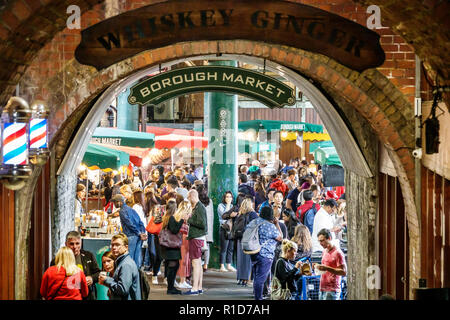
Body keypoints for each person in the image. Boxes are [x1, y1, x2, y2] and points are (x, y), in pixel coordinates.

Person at [50, 231, 101, 300]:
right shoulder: (57, 260)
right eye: (71, 244)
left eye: (77, 243)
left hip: (87, 296)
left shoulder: (88, 256)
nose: (75, 247)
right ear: (66, 244)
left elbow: (98, 273)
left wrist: (92, 278)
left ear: (81, 243)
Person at [248, 206, 283, 300]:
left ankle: (257, 296)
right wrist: (277, 224)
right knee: (260, 279)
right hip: (265, 255)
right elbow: (281, 238)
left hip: (254, 253)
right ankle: (258, 298)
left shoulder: (254, 223)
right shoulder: (270, 226)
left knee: (257, 276)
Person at [99, 233, 142, 300]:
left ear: (126, 247)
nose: (114, 247)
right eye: (112, 245)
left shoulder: (126, 264)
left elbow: (123, 289)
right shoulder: (121, 262)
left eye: (117, 245)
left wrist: (106, 280)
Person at [111, 194, 148, 268]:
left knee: (129, 257)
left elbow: (129, 223)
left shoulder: (122, 211)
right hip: (138, 236)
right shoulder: (131, 209)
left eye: (115, 202)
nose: (114, 204)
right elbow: (140, 221)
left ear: (119, 202)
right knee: (137, 257)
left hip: (131, 236)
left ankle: (130, 274)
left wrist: (139, 233)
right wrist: (141, 232)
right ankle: (137, 274)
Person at [184, 189, 208, 295]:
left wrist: (188, 220)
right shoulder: (199, 207)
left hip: (196, 238)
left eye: (189, 198)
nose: (188, 200)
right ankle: (199, 287)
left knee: (195, 263)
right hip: (198, 237)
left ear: (192, 196)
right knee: (198, 263)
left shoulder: (199, 207)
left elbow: (202, 224)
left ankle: (194, 288)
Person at [160, 200, 186, 295]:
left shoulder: (166, 217)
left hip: (168, 246)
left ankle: (171, 287)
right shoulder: (171, 218)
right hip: (172, 247)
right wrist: (182, 220)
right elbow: (174, 230)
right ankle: (170, 288)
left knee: (172, 267)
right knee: (173, 267)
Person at [314, 229, 347, 300]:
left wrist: (327, 268)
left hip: (332, 290)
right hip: (322, 288)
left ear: (329, 238)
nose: (320, 243)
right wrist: (318, 267)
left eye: (322, 240)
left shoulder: (338, 253)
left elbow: (343, 272)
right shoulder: (324, 252)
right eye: (319, 241)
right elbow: (325, 268)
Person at [233, 198, 258, 286]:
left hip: (240, 239)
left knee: (240, 259)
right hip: (249, 240)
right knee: (248, 260)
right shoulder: (253, 214)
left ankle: (240, 278)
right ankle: (247, 279)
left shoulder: (240, 214)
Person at [217, 191, 238, 272]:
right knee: (224, 248)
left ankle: (228, 265)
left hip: (232, 229)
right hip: (224, 228)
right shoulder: (220, 206)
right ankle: (222, 266)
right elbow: (224, 215)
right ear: (224, 198)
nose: (228, 198)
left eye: (230, 197)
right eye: (227, 197)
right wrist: (229, 206)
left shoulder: (233, 206)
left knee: (230, 248)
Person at [175, 200, 193, 289]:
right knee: (184, 261)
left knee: (180, 260)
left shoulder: (176, 215)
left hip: (178, 239)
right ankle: (182, 281)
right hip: (185, 238)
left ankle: (181, 280)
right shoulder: (186, 216)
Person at [197, 184, 214, 272]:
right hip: (208, 227)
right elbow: (211, 215)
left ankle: (199, 263)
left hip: (199, 226)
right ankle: (206, 265)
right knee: (206, 246)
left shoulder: (197, 201)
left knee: (198, 245)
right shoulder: (209, 201)